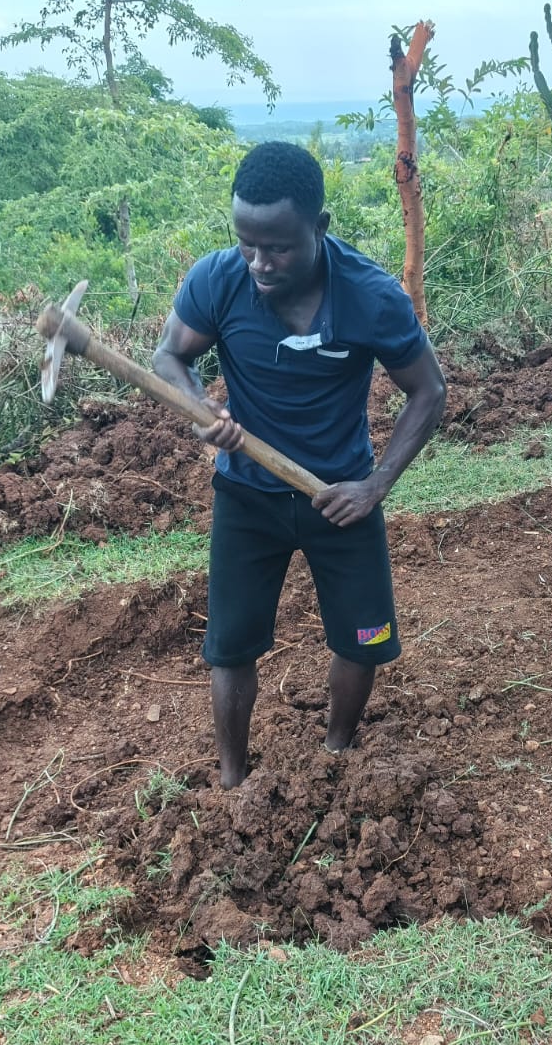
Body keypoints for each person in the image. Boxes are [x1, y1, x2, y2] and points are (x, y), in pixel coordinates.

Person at [152, 141, 447, 789]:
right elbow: (169, 358)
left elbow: (429, 392)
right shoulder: (218, 280)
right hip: (247, 498)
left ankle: (338, 753)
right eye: (247, 243)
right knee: (229, 645)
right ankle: (233, 780)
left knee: (362, 637)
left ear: (320, 226)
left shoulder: (371, 297)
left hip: (338, 499)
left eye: (279, 246)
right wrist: (203, 410)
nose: (260, 261)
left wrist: (375, 485)